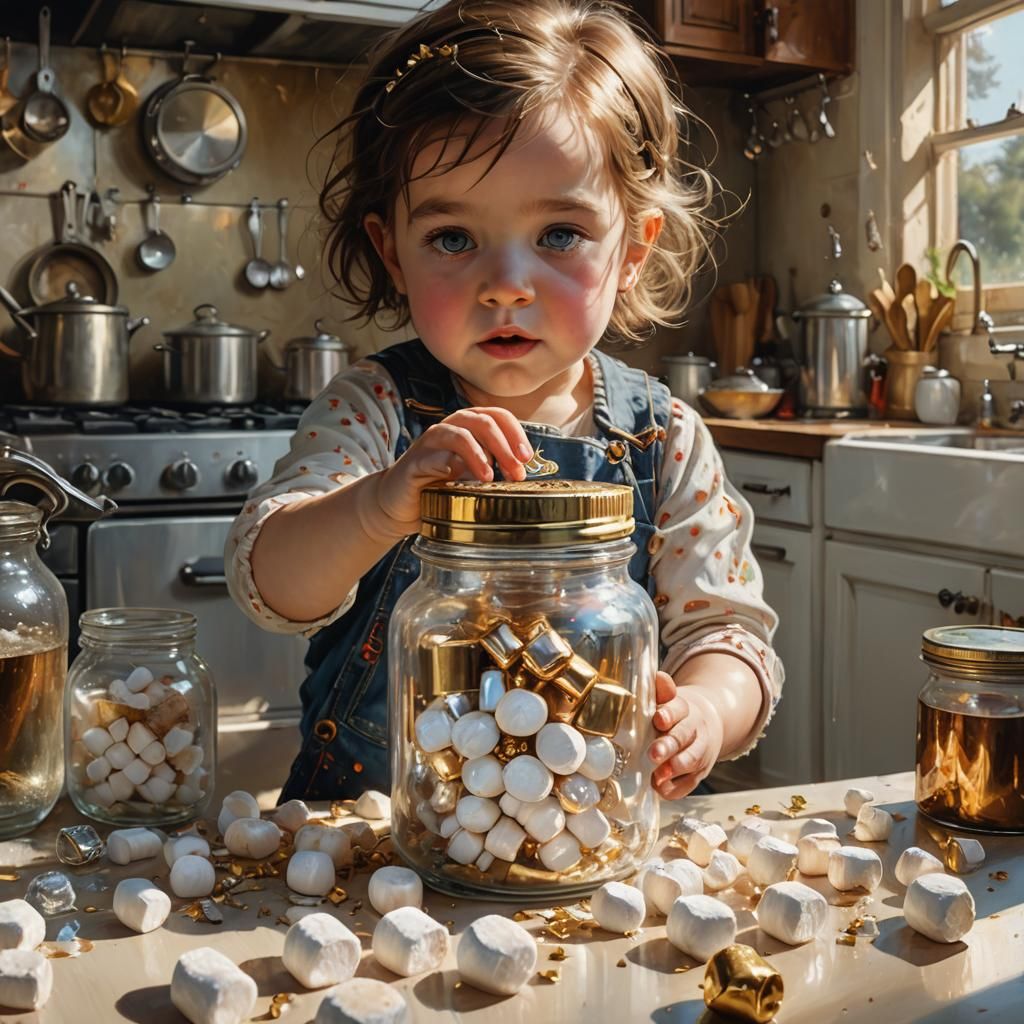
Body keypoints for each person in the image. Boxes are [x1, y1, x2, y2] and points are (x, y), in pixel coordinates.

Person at [225, 0, 783, 805]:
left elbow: (727, 633)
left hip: (582, 839)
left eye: (560, 234)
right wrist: (380, 506)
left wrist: (704, 708)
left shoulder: (665, 439)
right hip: (366, 844)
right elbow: (270, 580)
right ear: (394, 253)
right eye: (453, 239)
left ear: (632, 249)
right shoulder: (375, 410)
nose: (507, 286)